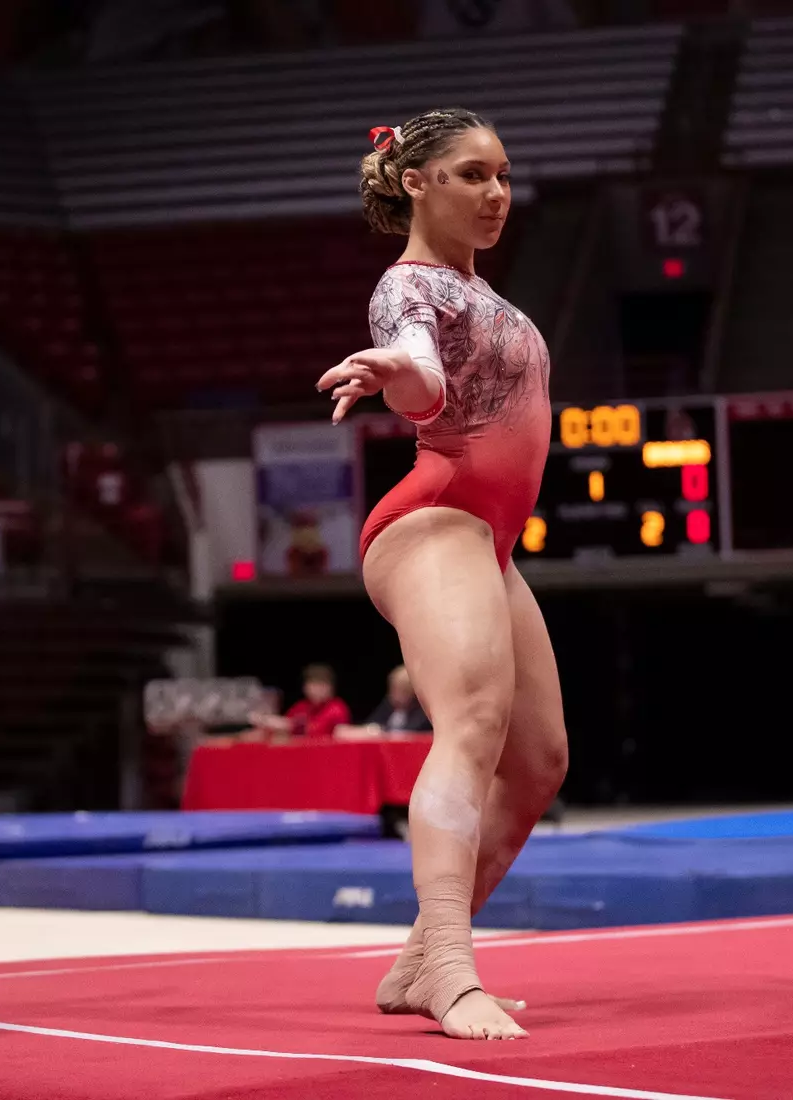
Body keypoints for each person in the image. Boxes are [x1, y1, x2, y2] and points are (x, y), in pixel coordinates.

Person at [316, 108, 566, 1041]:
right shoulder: (406, 290)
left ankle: (418, 960)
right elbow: (423, 376)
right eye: (471, 175)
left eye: (503, 173)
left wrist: (413, 374)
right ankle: (454, 970)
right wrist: (398, 373)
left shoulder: (484, 293)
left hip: (488, 539)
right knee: (471, 724)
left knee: (538, 762)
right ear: (417, 183)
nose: (496, 193)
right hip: (433, 521)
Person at [248, 663, 351, 739]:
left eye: (321, 685)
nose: (315, 689)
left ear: (330, 687)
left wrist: (283, 724)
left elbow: (314, 730)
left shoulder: (337, 707)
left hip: (326, 756)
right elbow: (285, 723)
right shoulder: (301, 706)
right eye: (312, 685)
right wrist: (267, 723)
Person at [337, 665, 433, 738]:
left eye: (402, 691)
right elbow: (372, 723)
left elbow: (409, 732)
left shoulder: (423, 711)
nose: (394, 696)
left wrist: (374, 732)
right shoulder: (389, 705)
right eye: (393, 690)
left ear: (413, 692)